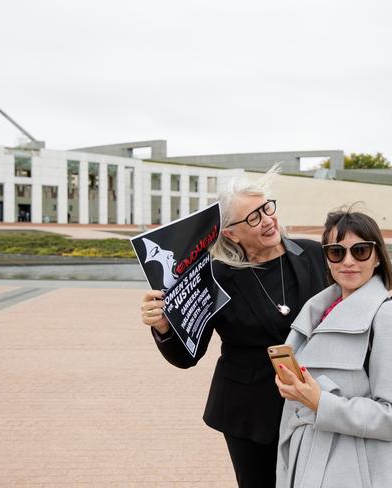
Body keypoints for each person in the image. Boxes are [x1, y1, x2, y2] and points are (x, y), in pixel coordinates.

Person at [140, 169, 328, 487]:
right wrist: (163, 325)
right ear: (230, 233)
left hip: (315, 403)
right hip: (250, 414)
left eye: (267, 208)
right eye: (253, 217)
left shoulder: (312, 255)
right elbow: (187, 355)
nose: (267, 220)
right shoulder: (216, 278)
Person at [275, 209, 392, 488]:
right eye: (336, 252)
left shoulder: (391, 317)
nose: (349, 261)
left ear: (378, 256)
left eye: (361, 250)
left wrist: (320, 402)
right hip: (308, 460)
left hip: (364, 469)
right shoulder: (315, 313)